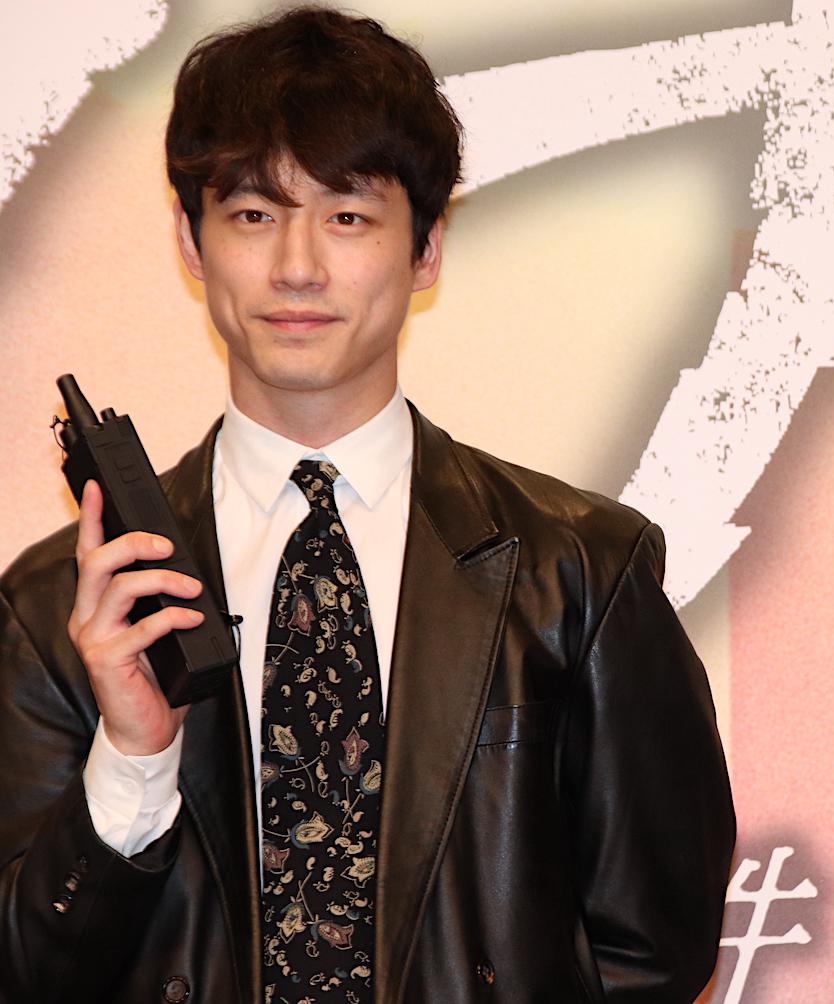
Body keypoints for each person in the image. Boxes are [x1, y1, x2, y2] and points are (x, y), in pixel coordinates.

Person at [0, 8, 735, 1002]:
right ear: (190, 240)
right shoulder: (61, 603)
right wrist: (132, 754)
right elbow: (24, 971)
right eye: (253, 215)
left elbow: (658, 946)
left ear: (425, 248)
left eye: (347, 217)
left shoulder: (578, 569)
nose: (297, 266)